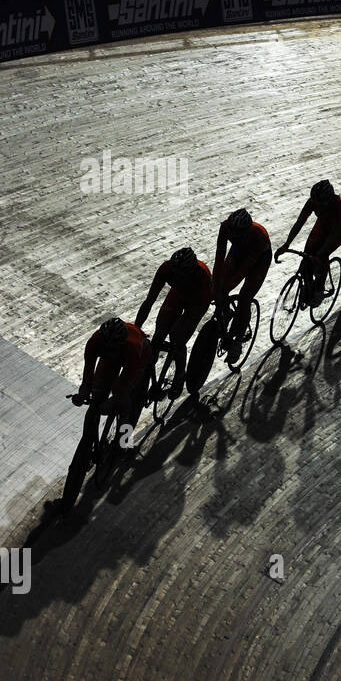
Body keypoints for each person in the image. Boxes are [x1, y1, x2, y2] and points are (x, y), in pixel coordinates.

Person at [58, 317, 153, 511]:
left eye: (112, 348)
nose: (108, 351)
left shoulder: (133, 348)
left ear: (119, 344)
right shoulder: (95, 342)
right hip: (113, 359)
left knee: (124, 402)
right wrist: (84, 394)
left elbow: (125, 383)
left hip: (138, 359)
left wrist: (116, 399)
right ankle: (88, 442)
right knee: (96, 399)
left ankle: (125, 443)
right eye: (106, 348)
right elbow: (87, 378)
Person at [134, 247, 213, 398]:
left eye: (181, 274)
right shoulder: (166, 268)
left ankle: (180, 374)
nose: (177, 275)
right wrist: (136, 329)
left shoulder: (202, 275)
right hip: (177, 295)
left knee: (177, 338)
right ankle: (146, 372)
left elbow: (200, 306)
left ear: (190, 270)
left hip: (198, 301)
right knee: (158, 335)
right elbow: (149, 300)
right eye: (175, 273)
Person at [276, 179, 341, 306]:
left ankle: (320, 290)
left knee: (322, 254)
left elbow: (332, 236)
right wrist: (286, 244)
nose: (316, 206)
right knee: (307, 254)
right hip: (324, 223)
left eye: (320, 204)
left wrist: (319, 255)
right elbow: (299, 222)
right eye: (315, 202)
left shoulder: (339, 208)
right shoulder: (313, 201)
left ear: (328, 200)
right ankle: (309, 285)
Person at [212, 207, 272, 365]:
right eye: (233, 235)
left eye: (239, 236)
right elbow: (219, 258)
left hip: (259, 259)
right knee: (219, 284)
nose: (235, 238)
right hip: (239, 253)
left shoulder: (258, 238)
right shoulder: (225, 227)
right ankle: (227, 312)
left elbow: (243, 272)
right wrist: (216, 287)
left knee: (245, 297)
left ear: (247, 232)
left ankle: (238, 341)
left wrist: (223, 290)